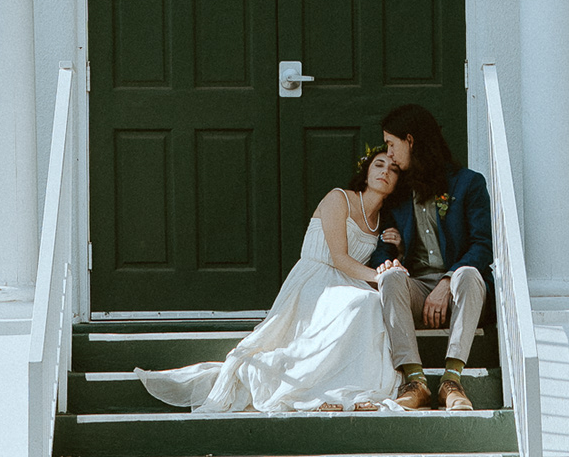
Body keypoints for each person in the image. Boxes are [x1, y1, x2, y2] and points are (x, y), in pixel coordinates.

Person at [135, 141, 409, 416]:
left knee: (372, 303)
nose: (384, 172)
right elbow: (339, 258)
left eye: (393, 169)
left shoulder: (383, 221)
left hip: (347, 283)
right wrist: (381, 277)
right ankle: (315, 390)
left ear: (398, 181)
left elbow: (379, 260)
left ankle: (347, 386)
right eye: (378, 164)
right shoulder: (339, 198)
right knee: (362, 301)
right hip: (315, 278)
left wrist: (397, 250)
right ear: (366, 171)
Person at [364, 101, 494, 407]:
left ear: (410, 140)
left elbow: (482, 246)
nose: (390, 153)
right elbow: (380, 248)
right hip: (417, 290)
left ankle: (452, 381)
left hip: (460, 291)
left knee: (467, 274)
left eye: (391, 144)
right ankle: (415, 381)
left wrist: (447, 282)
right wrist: (392, 255)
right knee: (391, 278)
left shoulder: (468, 183)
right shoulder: (398, 193)